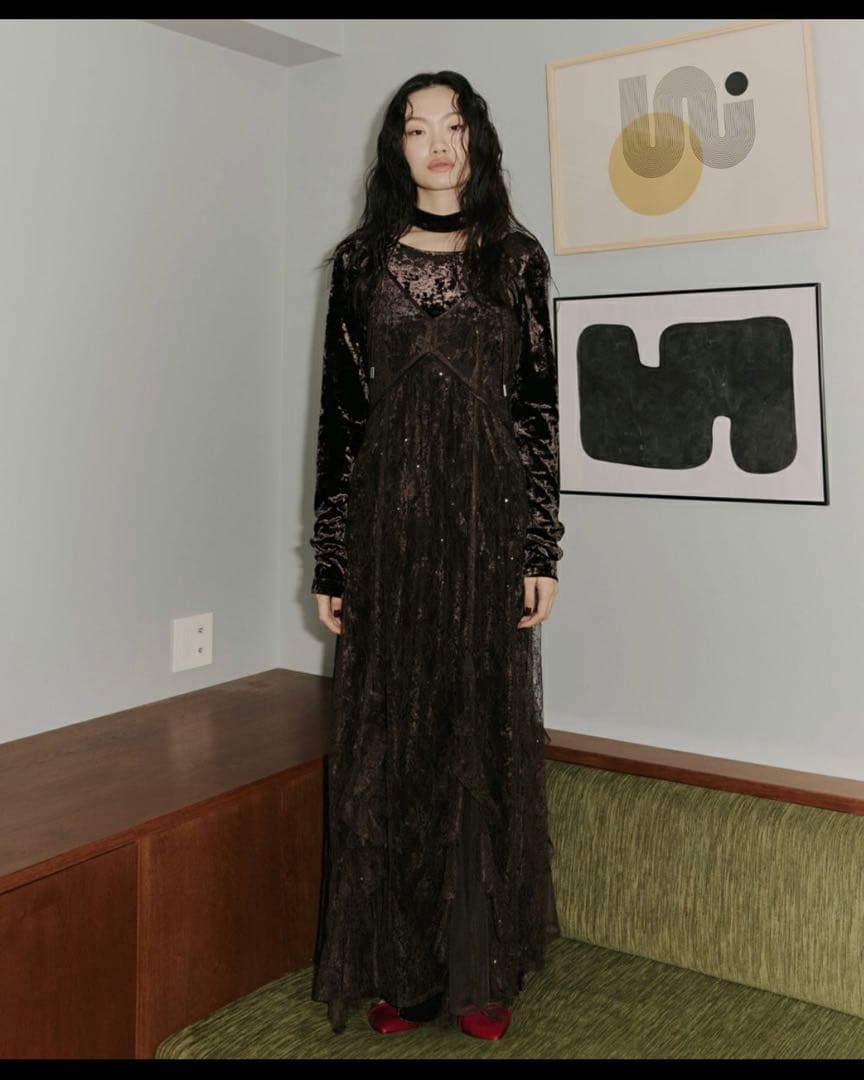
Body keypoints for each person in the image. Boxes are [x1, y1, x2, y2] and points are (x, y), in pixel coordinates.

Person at [308, 70, 565, 1040]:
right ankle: (402, 969)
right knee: (395, 743)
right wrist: (332, 560)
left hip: (486, 530)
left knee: (475, 738)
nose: (439, 143)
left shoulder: (517, 259)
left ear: (477, 141)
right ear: (397, 149)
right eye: (418, 129)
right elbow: (340, 419)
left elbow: (537, 412)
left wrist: (540, 548)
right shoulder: (360, 262)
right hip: (386, 533)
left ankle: (477, 972)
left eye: (454, 125)